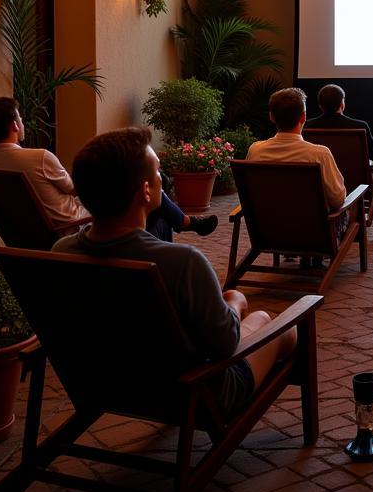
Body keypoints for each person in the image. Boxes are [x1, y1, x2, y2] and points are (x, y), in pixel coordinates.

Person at [53, 128, 293, 413]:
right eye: (158, 172)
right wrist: (234, 303)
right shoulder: (182, 263)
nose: (161, 179)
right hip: (195, 393)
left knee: (248, 314)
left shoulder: (62, 252)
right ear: (145, 191)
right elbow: (224, 345)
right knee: (281, 327)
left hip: (107, 386)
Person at [0, 96, 216, 240]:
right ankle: (182, 226)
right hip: (72, 225)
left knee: (149, 189)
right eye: (21, 118)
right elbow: (76, 189)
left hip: (25, 232)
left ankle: (184, 221)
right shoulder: (39, 158)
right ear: (15, 125)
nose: (23, 122)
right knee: (148, 197)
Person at [304, 83, 373, 242]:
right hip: (356, 183)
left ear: (320, 105)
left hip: (321, 181)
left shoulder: (307, 127)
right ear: (342, 103)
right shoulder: (359, 126)